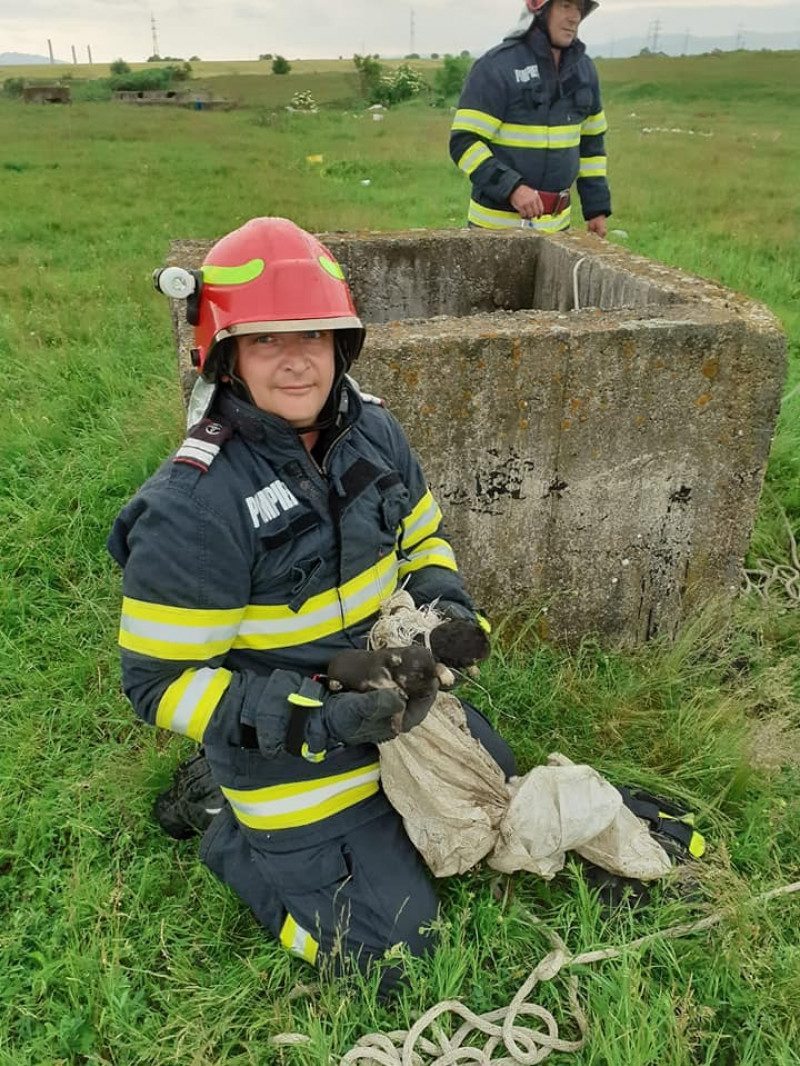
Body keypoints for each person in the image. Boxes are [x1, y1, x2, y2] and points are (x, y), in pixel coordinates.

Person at [107, 217, 516, 993]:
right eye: (266, 341)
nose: (297, 360)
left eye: (315, 336)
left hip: (385, 695)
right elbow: (157, 684)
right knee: (393, 959)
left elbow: (425, 542)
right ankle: (229, 828)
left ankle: (306, 810)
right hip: (284, 741)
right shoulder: (194, 504)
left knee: (491, 786)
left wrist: (448, 615)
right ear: (225, 355)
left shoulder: (376, 433)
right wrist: (313, 721)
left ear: (342, 346)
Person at [449, 0, 611, 236]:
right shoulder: (496, 67)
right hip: (495, 230)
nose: (575, 17)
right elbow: (464, 143)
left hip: (558, 230)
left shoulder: (584, 71)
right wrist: (512, 188)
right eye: (566, 6)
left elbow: (592, 146)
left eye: (579, 8)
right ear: (540, 9)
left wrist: (596, 208)